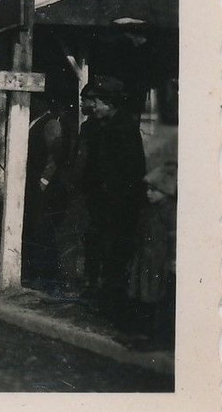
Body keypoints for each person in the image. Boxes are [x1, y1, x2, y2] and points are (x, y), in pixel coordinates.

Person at [72, 76, 147, 308]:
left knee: (117, 245)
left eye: (95, 102)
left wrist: (122, 197)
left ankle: (112, 292)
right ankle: (93, 285)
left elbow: (134, 169)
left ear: (109, 103)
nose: (91, 107)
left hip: (120, 200)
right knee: (94, 240)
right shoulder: (93, 126)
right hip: (97, 198)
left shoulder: (125, 127)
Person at [125, 154, 177, 348]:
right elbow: (140, 232)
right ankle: (140, 331)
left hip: (158, 261)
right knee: (141, 294)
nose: (149, 193)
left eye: (154, 190)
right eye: (148, 189)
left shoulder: (169, 211)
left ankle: (153, 335)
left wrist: (172, 259)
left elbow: (173, 237)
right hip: (143, 259)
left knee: (156, 296)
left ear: (165, 191)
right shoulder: (148, 209)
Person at [22, 93, 71, 290]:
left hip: (43, 185)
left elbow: (55, 154)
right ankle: (33, 271)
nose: (32, 103)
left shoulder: (50, 123)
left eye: (36, 100)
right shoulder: (33, 121)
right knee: (32, 226)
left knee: (42, 227)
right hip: (31, 182)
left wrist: (44, 180)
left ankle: (45, 274)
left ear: (43, 101)